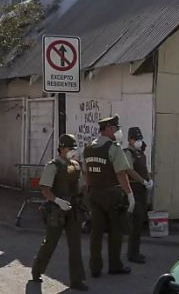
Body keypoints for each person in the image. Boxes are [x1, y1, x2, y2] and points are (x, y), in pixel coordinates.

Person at [31, 134, 88, 291]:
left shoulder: (76, 166)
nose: (73, 152)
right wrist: (57, 201)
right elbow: (45, 190)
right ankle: (36, 270)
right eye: (71, 149)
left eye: (74, 149)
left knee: (75, 245)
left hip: (73, 210)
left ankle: (77, 280)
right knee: (50, 242)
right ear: (62, 149)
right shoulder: (53, 166)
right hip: (56, 211)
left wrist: (84, 207)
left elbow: (82, 187)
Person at [83, 114, 134, 278]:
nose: (118, 132)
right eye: (116, 129)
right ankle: (115, 265)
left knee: (96, 232)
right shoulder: (114, 148)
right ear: (110, 129)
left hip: (94, 193)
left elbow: (86, 172)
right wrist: (130, 194)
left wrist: (89, 190)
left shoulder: (89, 147)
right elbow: (121, 174)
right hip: (112, 195)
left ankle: (95, 267)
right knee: (115, 231)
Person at [122, 127, 153, 264]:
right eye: (135, 139)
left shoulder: (140, 152)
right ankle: (132, 253)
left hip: (142, 189)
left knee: (139, 221)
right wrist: (143, 181)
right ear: (129, 140)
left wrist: (149, 179)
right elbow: (128, 170)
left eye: (139, 139)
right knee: (135, 222)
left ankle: (136, 251)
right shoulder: (128, 153)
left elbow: (144, 169)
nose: (138, 141)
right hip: (134, 188)